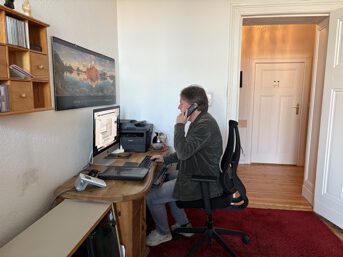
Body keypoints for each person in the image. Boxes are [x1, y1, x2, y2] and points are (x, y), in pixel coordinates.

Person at [146, 85, 223, 246]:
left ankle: (163, 233)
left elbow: (183, 153)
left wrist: (179, 125)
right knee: (169, 176)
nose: (178, 106)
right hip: (199, 172)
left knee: (151, 197)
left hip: (204, 181)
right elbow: (188, 151)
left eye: (181, 103)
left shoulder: (204, 126)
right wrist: (165, 160)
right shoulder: (202, 120)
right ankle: (183, 224)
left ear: (193, 106)